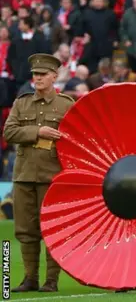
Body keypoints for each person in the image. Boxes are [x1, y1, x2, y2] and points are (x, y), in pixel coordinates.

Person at [3, 54, 75, 292]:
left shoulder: (66, 105)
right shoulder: (21, 102)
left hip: (53, 176)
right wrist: (37, 131)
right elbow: (9, 132)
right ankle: (30, 278)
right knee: (25, 229)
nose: (38, 79)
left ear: (54, 77)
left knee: (54, 230)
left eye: (43, 75)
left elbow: (77, 138)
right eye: (35, 74)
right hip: (24, 175)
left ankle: (51, 281)